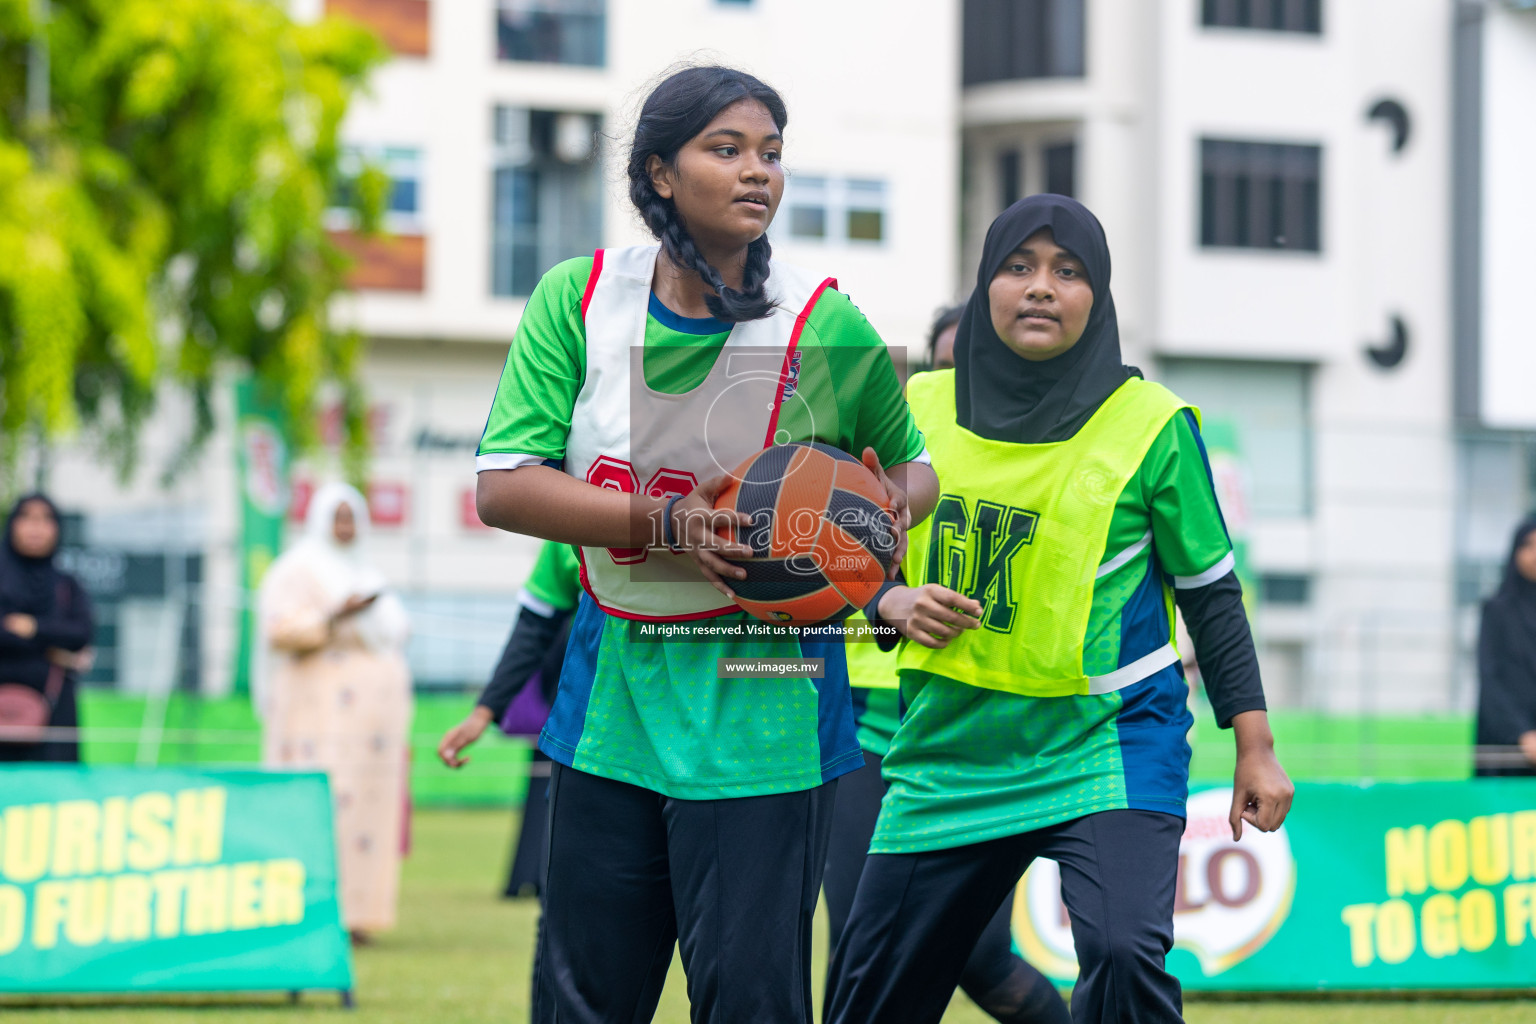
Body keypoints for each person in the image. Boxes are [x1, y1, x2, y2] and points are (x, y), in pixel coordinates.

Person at [472, 65, 935, 1023]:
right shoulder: (580, 299)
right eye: (726, 150)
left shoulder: (824, 322)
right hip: (613, 701)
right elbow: (505, 487)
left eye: (771, 153)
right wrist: (665, 521)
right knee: (583, 1004)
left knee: (752, 1006)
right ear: (659, 174)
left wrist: (878, 513)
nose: (757, 171)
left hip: (768, 703)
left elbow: (914, 472)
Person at [826, 194, 1294, 1024]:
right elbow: (848, 560)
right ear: (986, 285)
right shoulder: (917, 410)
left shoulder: (1152, 426)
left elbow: (1212, 596)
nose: (1041, 287)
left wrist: (1254, 746)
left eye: (1068, 272)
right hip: (946, 750)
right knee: (870, 991)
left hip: (1107, 745)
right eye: (1019, 267)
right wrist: (887, 605)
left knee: (1120, 951)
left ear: (1098, 296)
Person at [822, 308, 1069, 1024]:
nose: (960, 381)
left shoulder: (1036, 462)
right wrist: (882, 597)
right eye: (945, 364)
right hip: (865, 736)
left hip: (973, 742)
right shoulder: (884, 451)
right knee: (860, 950)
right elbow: (817, 564)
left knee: (982, 956)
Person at [257, 482, 413, 944]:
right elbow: (278, 631)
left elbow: (395, 632)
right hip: (317, 717)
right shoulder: (297, 570)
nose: (345, 526)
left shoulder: (365, 571)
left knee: (369, 812)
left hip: (372, 729)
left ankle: (359, 915)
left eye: (352, 517)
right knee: (323, 803)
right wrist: (333, 616)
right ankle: (309, 910)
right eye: (337, 516)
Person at [438, 539, 582, 897]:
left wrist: (745, 671)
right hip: (583, 734)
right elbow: (533, 629)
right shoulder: (568, 531)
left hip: (705, 744)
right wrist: (483, 713)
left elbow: (742, 640)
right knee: (564, 899)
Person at [0, 494, 93, 763]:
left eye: (45, 520)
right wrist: (53, 647)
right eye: (27, 518)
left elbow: (80, 634)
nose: (35, 528)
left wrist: (34, 627)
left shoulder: (66, 586)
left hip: (53, 711)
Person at [1475, 515, 1536, 777]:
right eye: (1528, 545)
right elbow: (1491, 677)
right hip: (1506, 745)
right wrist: (1523, 734)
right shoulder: (1498, 610)